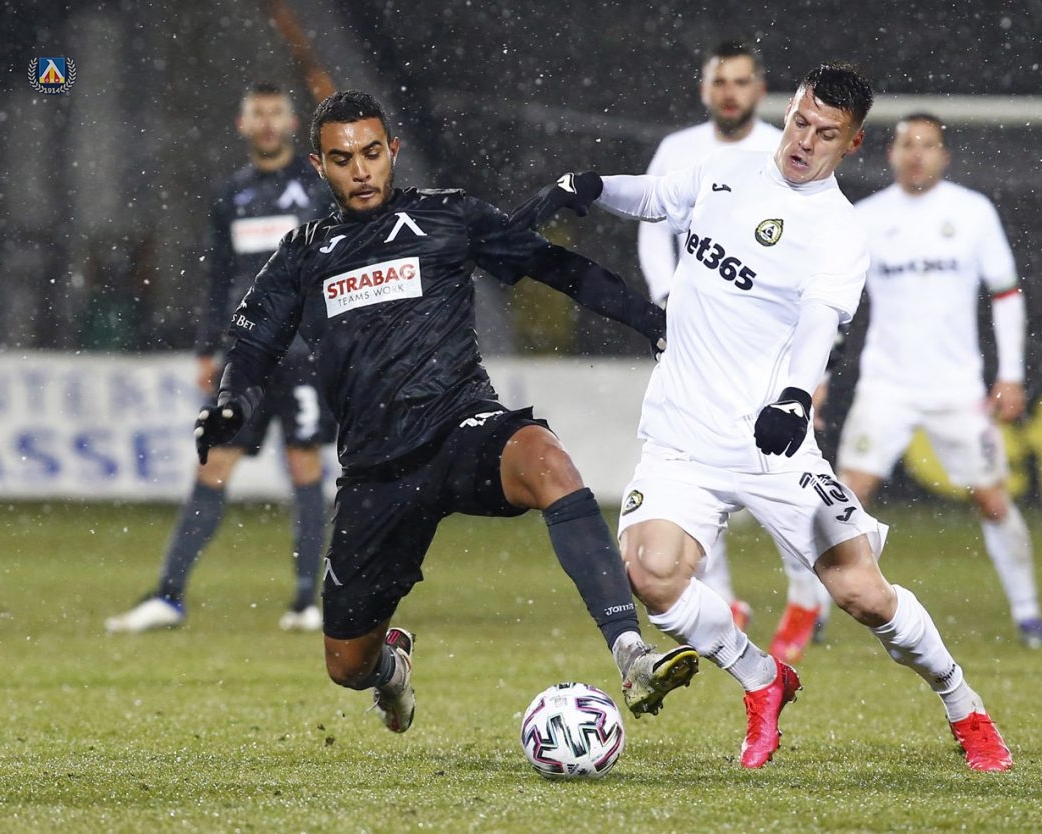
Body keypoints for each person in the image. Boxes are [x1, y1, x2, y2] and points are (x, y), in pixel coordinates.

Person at [531, 63, 1013, 771]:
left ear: (851, 144)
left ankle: (962, 703)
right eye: (800, 122)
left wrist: (793, 397)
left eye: (826, 134)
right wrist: (593, 185)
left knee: (862, 594)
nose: (804, 142)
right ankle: (763, 678)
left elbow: (819, 321)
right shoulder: (725, 172)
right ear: (788, 112)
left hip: (771, 442)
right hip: (682, 436)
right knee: (650, 571)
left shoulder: (839, 232)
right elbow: (659, 198)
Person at [192, 90, 700, 731]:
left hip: (460, 427)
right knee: (346, 664)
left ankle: (630, 653)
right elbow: (252, 347)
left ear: (393, 150)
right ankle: (390, 667)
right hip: (376, 468)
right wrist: (231, 404)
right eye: (342, 159)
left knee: (546, 460)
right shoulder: (302, 254)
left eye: (372, 153)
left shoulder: (447, 216)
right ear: (319, 166)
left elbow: (555, 267)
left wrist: (654, 323)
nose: (361, 170)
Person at [820, 112, 1042, 650]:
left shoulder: (972, 212)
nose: (917, 154)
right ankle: (814, 612)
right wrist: (818, 376)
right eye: (907, 143)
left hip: (957, 389)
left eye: (927, 145)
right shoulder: (866, 218)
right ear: (890, 153)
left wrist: (1011, 375)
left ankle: (1028, 615)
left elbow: (1006, 294)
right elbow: (833, 305)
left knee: (992, 500)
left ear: (944, 155)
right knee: (844, 497)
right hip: (886, 384)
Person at [106, 83, 337, 634]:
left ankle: (305, 602)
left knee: (304, 464)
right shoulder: (230, 195)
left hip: (303, 354)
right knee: (213, 463)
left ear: (291, 123)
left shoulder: (317, 190)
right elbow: (217, 278)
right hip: (246, 355)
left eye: (275, 113)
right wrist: (207, 346)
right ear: (243, 124)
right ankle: (169, 596)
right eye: (258, 113)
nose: (267, 122)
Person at [637, 39, 832, 644]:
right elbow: (653, 228)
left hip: (767, 350)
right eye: (720, 81)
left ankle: (806, 598)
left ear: (760, 89)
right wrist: (666, 302)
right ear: (705, 89)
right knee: (689, 466)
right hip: (697, 344)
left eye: (741, 82)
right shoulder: (679, 150)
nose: (730, 93)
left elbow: (818, 261)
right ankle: (723, 600)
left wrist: (812, 375)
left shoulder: (785, 148)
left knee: (781, 471)